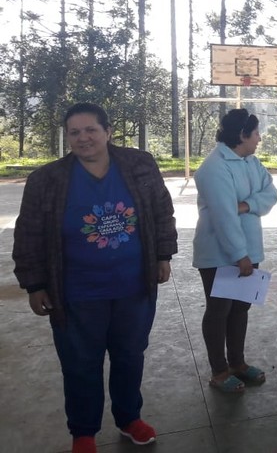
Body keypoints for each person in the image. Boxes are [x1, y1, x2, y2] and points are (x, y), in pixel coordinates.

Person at [12, 103, 177, 453]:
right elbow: (28, 234)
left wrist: (163, 255)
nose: (83, 138)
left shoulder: (139, 165)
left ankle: (129, 418)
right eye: (75, 132)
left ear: (108, 132)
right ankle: (84, 433)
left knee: (130, 356)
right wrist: (35, 284)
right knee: (80, 364)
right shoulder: (47, 180)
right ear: (67, 137)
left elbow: (162, 211)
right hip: (76, 292)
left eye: (91, 130)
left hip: (133, 286)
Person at [192, 108, 277, 392]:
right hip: (220, 254)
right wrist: (239, 255)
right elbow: (223, 217)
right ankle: (219, 371)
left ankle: (238, 363)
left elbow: (271, 193)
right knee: (219, 311)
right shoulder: (214, 167)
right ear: (242, 135)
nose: (259, 138)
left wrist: (247, 204)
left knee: (240, 308)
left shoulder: (250, 161)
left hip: (248, 251)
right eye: (256, 133)